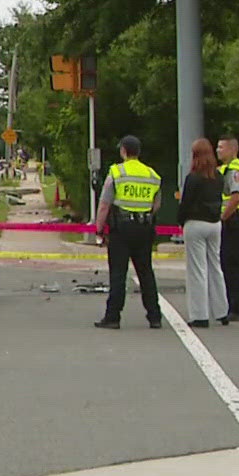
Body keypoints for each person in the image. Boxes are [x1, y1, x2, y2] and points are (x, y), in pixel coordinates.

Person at [93, 135, 164, 330]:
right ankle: (154, 316)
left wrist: (99, 229)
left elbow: (104, 204)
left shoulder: (117, 172)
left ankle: (113, 317)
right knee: (146, 273)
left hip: (121, 229)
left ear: (123, 151)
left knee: (118, 273)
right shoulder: (152, 175)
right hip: (144, 228)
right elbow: (156, 204)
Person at [174, 138, 229, 328]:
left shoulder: (193, 178)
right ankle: (222, 311)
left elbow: (186, 203)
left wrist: (181, 221)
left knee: (197, 270)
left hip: (196, 224)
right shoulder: (218, 177)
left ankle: (200, 315)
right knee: (215, 266)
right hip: (215, 224)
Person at [217, 134, 239, 322]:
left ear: (232, 149)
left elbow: (235, 198)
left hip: (232, 221)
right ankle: (231, 304)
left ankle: (236, 307)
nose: (218, 150)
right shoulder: (225, 169)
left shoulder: (236, 170)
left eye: (222, 147)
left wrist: (222, 218)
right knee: (227, 263)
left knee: (233, 264)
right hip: (230, 220)